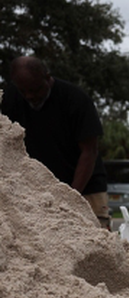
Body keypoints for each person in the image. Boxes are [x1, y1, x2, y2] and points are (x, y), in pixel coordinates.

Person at [1, 56, 111, 230]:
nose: (30, 96)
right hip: (41, 190)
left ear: (47, 77)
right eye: (24, 91)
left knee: (96, 238)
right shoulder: (11, 99)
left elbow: (89, 151)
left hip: (86, 186)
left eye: (36, 89)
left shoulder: (76, 99)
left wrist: (69, 196)